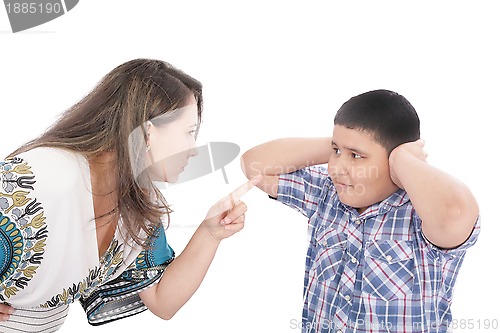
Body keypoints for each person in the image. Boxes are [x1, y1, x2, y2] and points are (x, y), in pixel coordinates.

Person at [0, 58, 257, 332]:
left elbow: (162, 300)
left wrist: (210, 233)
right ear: (148, 131)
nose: (193, 149)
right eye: (189, 132)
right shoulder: (40, 178)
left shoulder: (139, 204)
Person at [241, 89, 480, 333]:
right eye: (336, 153)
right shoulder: (327, 195)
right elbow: (255, 166)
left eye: (357, 156)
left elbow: (455, 213)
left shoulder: (421, 216)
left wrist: (401, 158)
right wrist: (343, 145)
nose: (336, 168)